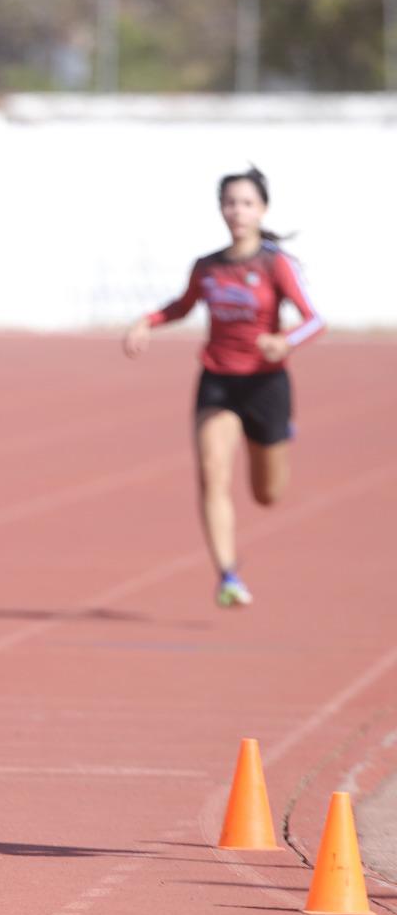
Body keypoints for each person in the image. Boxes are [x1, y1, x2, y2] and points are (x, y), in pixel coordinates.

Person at [123, 166, 324, 607]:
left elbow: (315, 319)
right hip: (218, 380)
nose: (238, 211)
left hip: (266, 385)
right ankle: (228, 575)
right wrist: (146, 322)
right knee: (212, 471)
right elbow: (182, 306)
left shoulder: (275, 263)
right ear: (220, 209)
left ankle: (279, 433)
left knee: (267, 494)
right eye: (230, 203)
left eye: (247, 203)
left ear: (262, 209)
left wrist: (284, 342)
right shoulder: (208, 266)